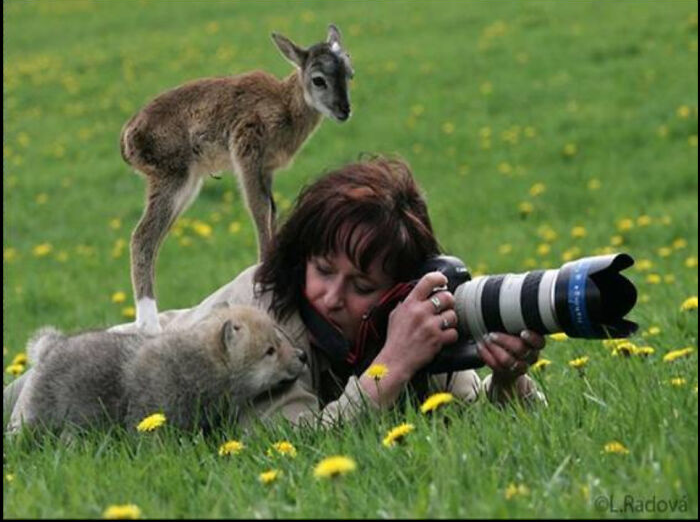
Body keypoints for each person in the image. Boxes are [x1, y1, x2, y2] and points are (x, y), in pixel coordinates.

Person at [4, 156, 546, 430]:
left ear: (399, 292)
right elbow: (299, 447)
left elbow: (482, 424)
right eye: (322, 269)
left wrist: (509, 380)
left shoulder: (409, 320)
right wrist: (392, 368)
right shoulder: (265, 319)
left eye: (361, 286)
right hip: (83, 380)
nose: (331, 296)